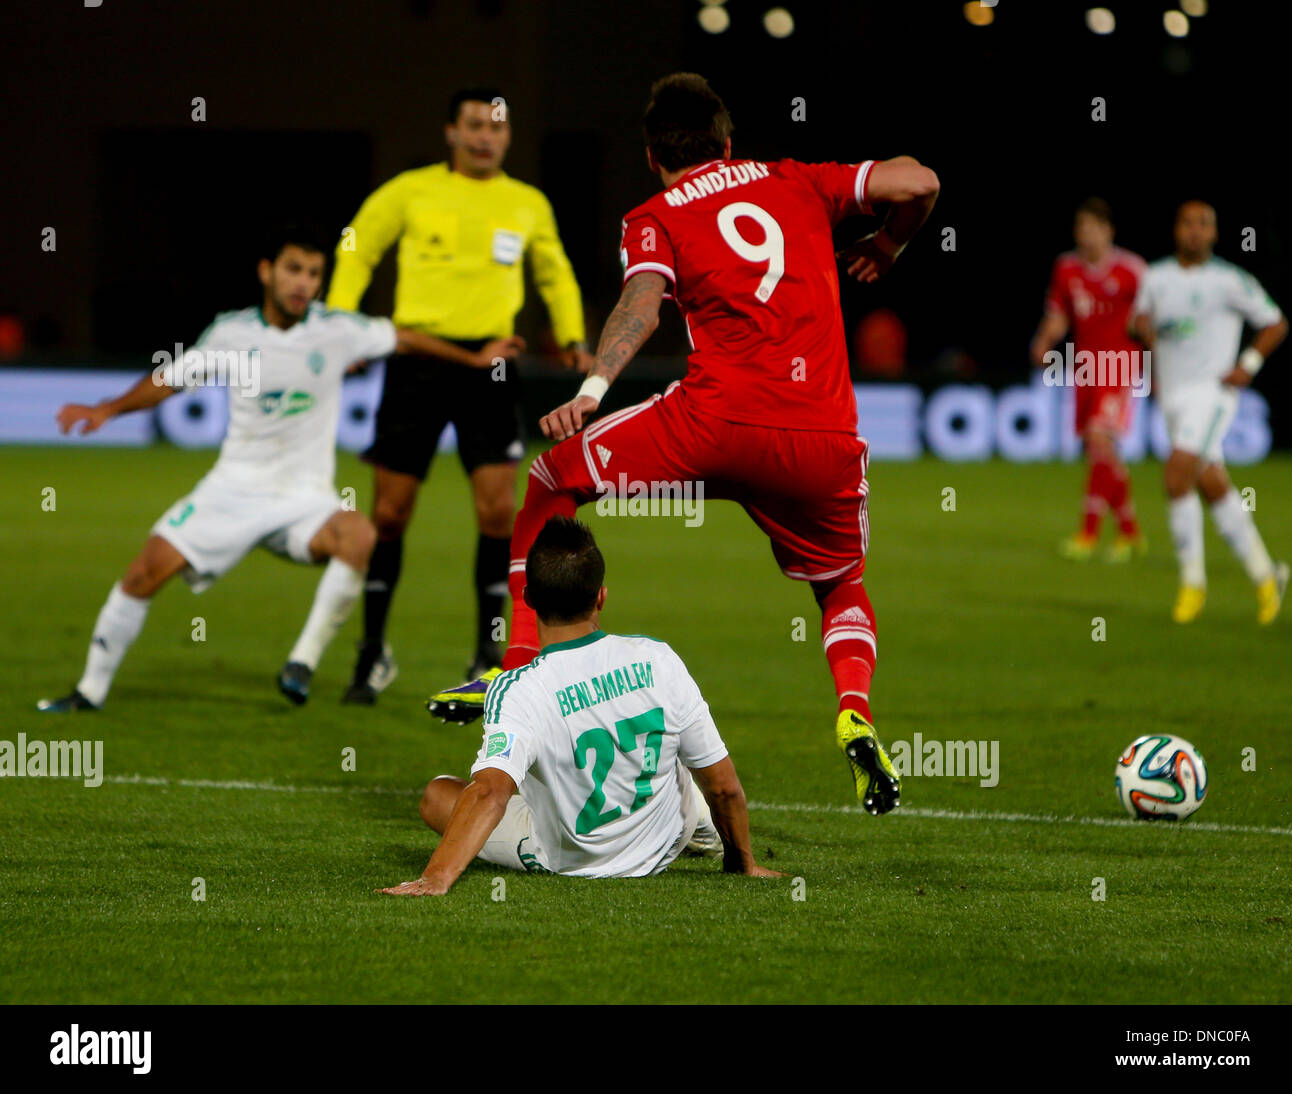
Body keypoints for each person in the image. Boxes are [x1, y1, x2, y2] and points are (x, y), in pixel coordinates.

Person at [431, 73, 941, 815]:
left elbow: (641, 303)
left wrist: (591, 391)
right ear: (727, 142)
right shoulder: (798, 181)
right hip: (820, 439)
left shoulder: (656, 214)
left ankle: (513, 665)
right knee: (838, 585)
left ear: (650, 155)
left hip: (712, 427)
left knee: (549, 478)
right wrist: (890, 244)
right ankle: (854, 711)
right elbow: (919, 180)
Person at [38, 226, 492, 710]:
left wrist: (473, 359)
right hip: (232, 489)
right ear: (266, 271)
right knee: (143, 574)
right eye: (294, 269)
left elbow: (404, 338)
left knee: (359, 534)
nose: (304, 283)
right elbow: (169, 380)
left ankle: (301, 663)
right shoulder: (233, 333)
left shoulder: (338, 330)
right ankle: (89, 691)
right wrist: (106, 409)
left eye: (314, 274)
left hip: (304, 499)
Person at [327, 86, 594, 704]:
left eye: (496, 127)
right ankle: (371, 653)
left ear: (507, 135)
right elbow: (355, 246)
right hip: (416, 359)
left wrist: (574, 336)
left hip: (493, 365)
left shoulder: (526, 203)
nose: (485, 136)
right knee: (389, 514)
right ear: (450, 131)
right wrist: (342, 326)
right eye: (474, 125)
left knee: (499, 512)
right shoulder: (410, 190)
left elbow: (554, 271)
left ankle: (488, 653)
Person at [380, 517, 781, 895]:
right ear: (601, 596)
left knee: (438, 795)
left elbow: (488, 793)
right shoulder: (658, 659)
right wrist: (742, 864)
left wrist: (436, 877)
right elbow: (725, 787)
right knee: (677, 753)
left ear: (528, 598)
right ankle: (702, 831)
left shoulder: (518, 688)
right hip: (663, 842)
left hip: (571, 858)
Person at [1132, 200, 1289, 624]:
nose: (1196, 231)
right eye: (1189, 223)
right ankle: (1266, 575)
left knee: (1175, 475)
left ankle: (1192, 583)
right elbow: (1141, 322)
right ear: (1176, 230)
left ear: (1215, 234)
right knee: (1211, 484)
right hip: (1173, 397)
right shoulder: (1156, 276)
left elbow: (1275, 322)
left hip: (1212, 393)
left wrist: (1248, 365)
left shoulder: (1228, 280)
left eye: (1205, 224)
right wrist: (1144, 331)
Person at [1030, 197, 1146, 561]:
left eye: (1094, 227)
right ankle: (1131, 533)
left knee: (1099, 439)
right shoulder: (1066, 268)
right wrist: (1044, 340)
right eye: (1081, 228)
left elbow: (1150, 318)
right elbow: (1059, 314)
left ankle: (1088, 533)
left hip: (1120, 366)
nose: (1086, 235)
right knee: (1102, 451)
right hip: (1084, 369)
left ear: (1109, 231)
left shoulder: (1131, 270)